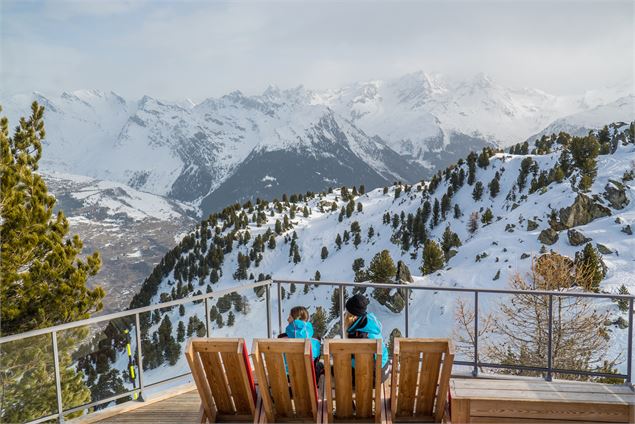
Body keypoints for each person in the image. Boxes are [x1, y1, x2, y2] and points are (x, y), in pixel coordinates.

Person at [344, 294, 390, 382]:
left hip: (373, 377)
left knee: (339, 368)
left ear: (352, 317)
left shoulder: (359, 336)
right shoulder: (371, 322)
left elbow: (360, 363)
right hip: (383, 369)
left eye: (347, 313)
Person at [279, 306, 323, 378]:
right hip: (307, 381)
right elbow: (316, 360)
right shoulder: (316, 341)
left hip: (287, 381)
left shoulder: (282, 338)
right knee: (319, 365)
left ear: (296, 319)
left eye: (290, 317)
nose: (287, 319)